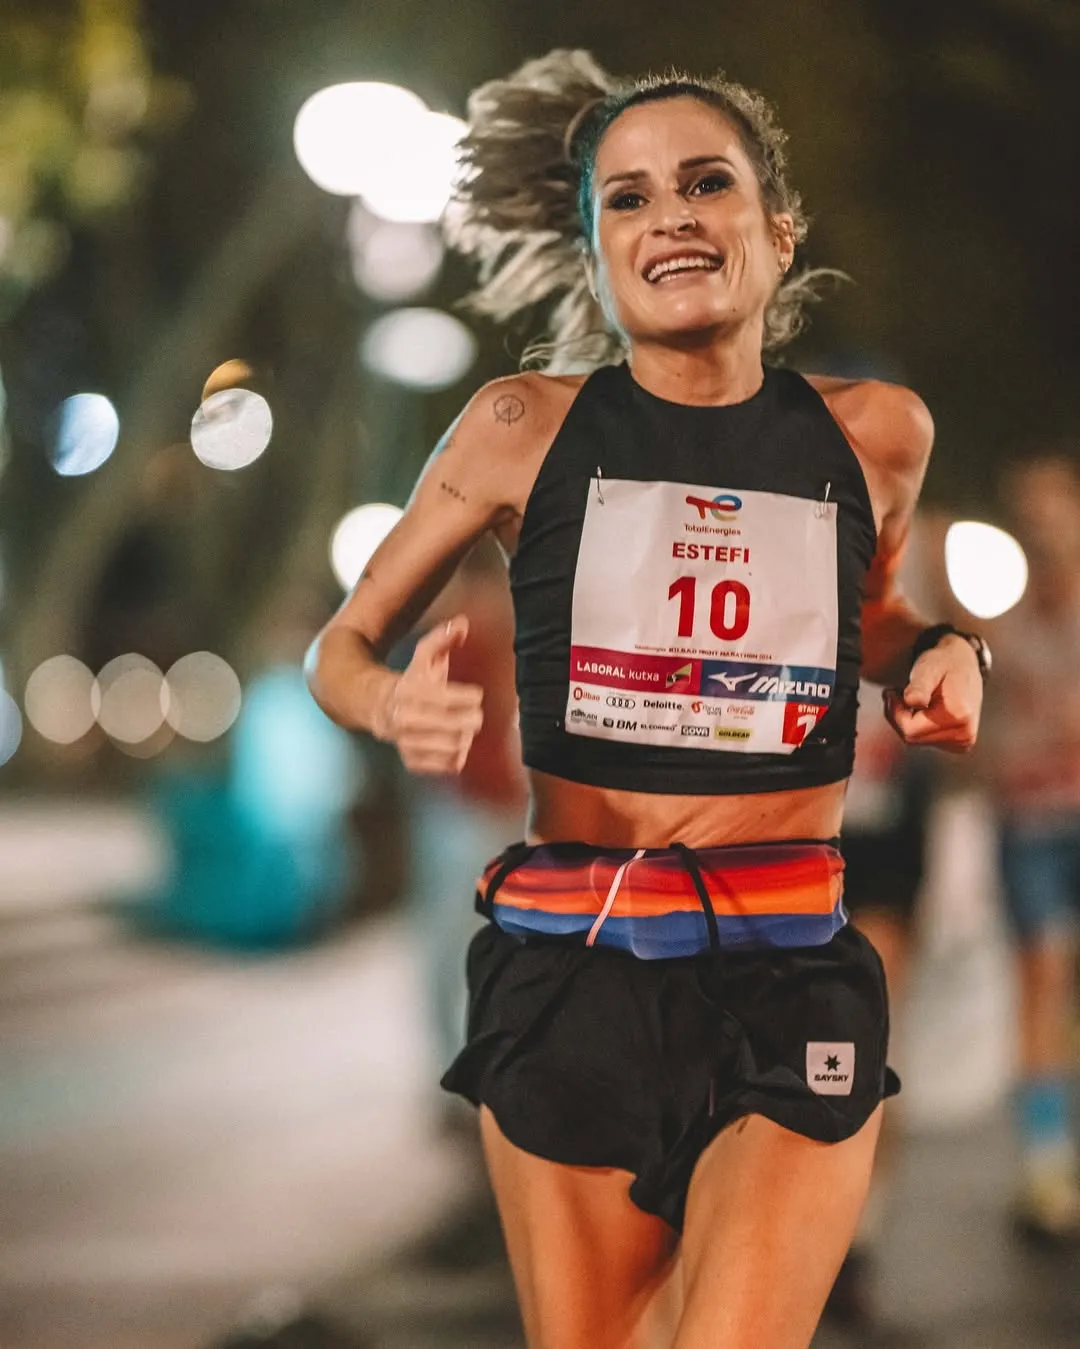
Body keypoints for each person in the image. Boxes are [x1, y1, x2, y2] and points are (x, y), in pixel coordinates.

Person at [306, 51, 986, 1349]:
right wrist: (390, 704)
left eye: (704, 182)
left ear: (777, 232)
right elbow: (342, 648)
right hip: (574, 971)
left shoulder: (876, 433)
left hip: (790, 964)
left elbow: (871, 619)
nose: (667, 214)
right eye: (625, 198)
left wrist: (947, 652)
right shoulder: (520, 425)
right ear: (598, 248)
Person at [983, 455, 1080, 1244]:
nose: (1041, 526)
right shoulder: (995, 619)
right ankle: (1047, 1170)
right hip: (1029, 824)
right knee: (1041, 985)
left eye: (1053, 509)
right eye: (1027, 512)